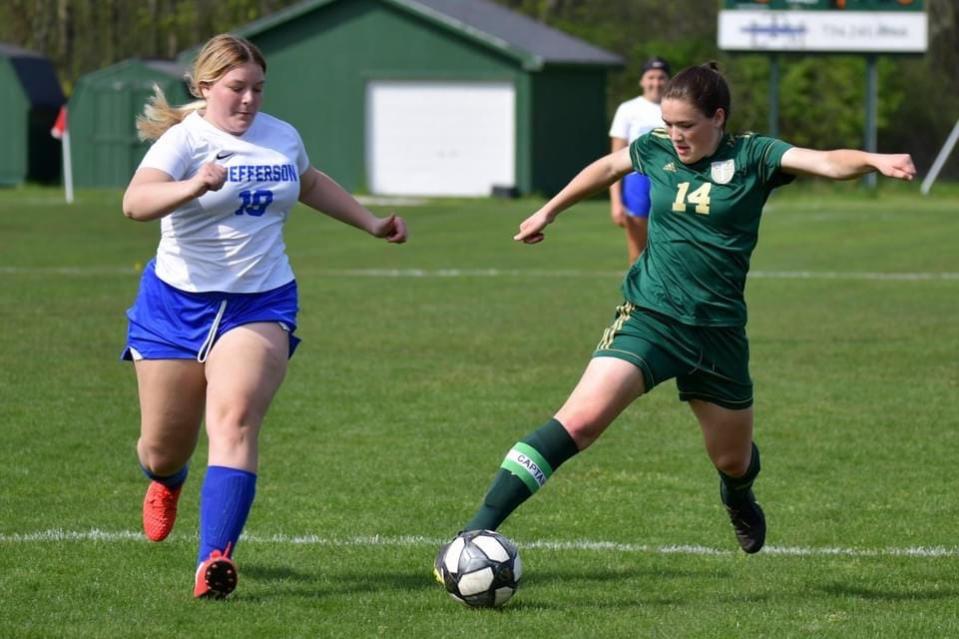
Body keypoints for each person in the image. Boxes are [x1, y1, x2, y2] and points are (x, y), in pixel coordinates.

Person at [435, 63, 915, 572]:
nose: (674, 136)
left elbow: (825, 162)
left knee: (732, 460)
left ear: (718, 118)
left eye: (685, 126)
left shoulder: (754, 155)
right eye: (668, 124)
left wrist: (872, 160)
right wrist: (549, 210)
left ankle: (738, 496)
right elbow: (607, 168)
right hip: (651, 315)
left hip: (718, 333)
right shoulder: (656, 148)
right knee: (580, 421)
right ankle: (476, 532)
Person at [121, 34, 407, 600]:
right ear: (205, 88)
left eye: (257, 88)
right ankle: (166, 481)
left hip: (260, 302)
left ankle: (214, 560)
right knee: (161, 447)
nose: (249, 100)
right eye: (236, 88)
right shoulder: (185, 141)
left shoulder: (281, 137)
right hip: (175, 305)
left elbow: (310, 182)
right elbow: (136, 203)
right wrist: (193, 184)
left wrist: (371, 222)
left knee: (236, 419)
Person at [608, 57, 670, 264]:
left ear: (669, 81)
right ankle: (638, 295)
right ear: (642, 81)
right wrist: (616, 202)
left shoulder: (679, 108)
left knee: (669, 250)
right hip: (638, 182)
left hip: (671, 179)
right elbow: (613, 160)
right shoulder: (628, 109)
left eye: (661, 77)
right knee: (637, 254)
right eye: (651, 77)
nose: (656, 82)